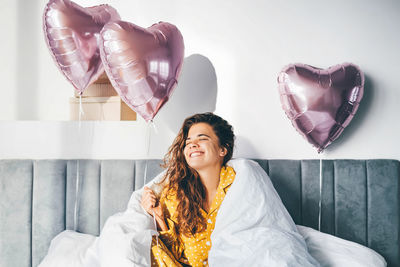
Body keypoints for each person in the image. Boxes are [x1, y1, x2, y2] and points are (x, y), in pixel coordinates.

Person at [141, 112, 235, 267]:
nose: (192, 144)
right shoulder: (174, 194)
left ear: (222, 150)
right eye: (188, 141)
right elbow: (176, 254)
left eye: (202, 138)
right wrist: (159, 218)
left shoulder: (238, 183)